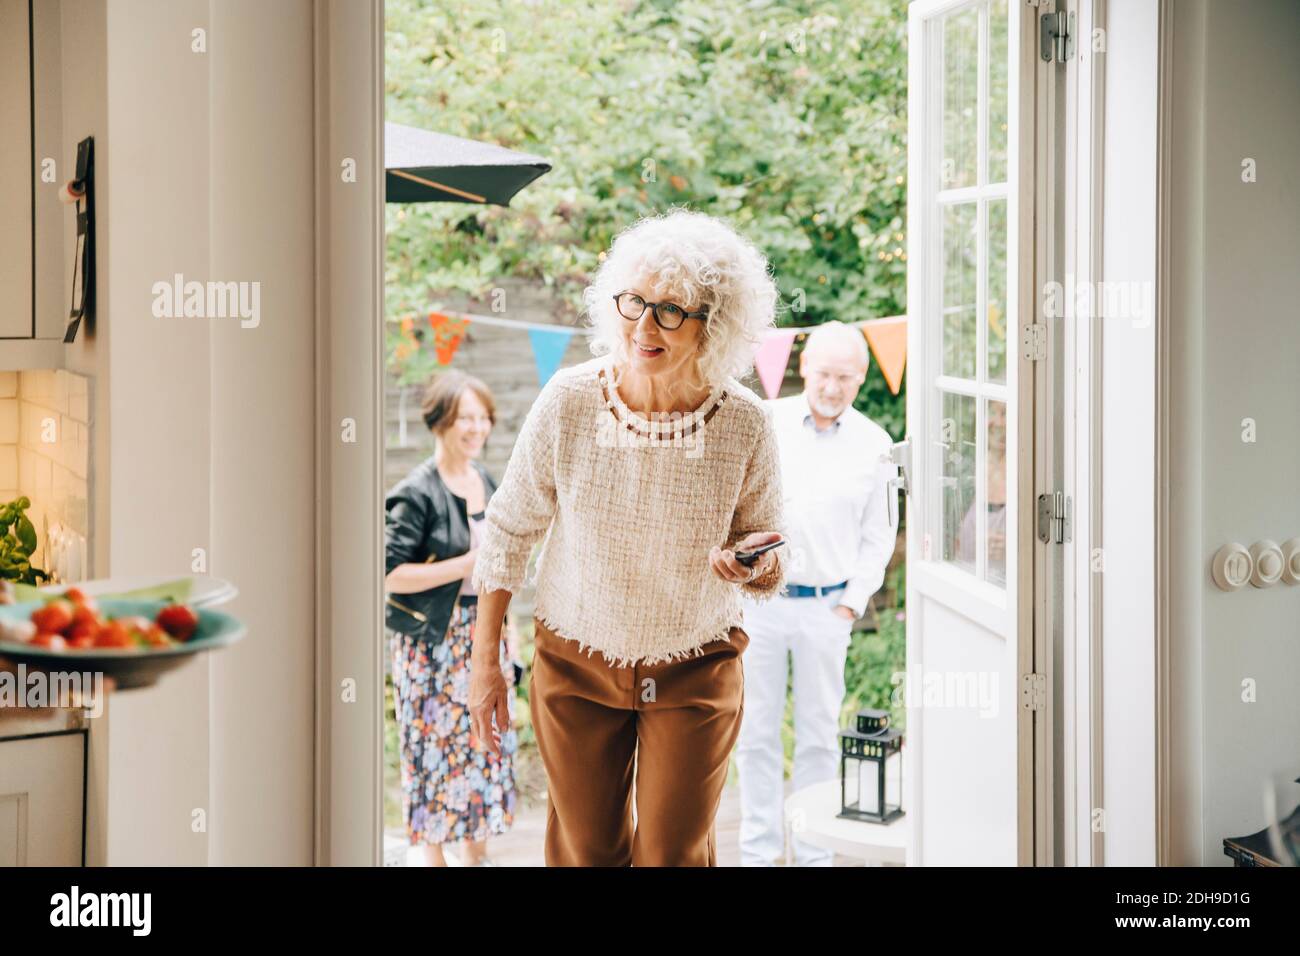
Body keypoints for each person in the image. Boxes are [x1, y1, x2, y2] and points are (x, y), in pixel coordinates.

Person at [468, 208, 789, 867]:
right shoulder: (570, 399)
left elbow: (769, 549)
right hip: (576, 660)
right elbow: (507, 531)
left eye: (671, 311)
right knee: (586, 852)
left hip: (694, 665)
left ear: (715, 323)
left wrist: (751, 565)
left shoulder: (746, 424)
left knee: (671, 855)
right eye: (633, 302)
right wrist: (484, 666)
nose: (643, 326)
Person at [735, 320, 896, 866]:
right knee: (755, 734)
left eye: (846, 377)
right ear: (804, 367)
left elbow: (880, 536)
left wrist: (851, 602)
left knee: (819, 737)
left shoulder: (874, 443)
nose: (833, 386)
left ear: (862, 377)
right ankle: (758, 853)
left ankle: (812, 853)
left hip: (828, 608)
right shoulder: (767, 422)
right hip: (761, 606)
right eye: (825, 373)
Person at [384, 370, 521, 867]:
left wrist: (510, 639)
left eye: (483, 418)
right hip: (431, 642)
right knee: (430, 748)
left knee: (479, 744)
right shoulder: (415, 491)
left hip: (480, 633)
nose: (477, 428)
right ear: (440, 420)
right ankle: (434, 858)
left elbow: (501, 566)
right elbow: (387, 574)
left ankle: (475, 856)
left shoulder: (485, 479)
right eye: (466, 417)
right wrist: (465, 565)